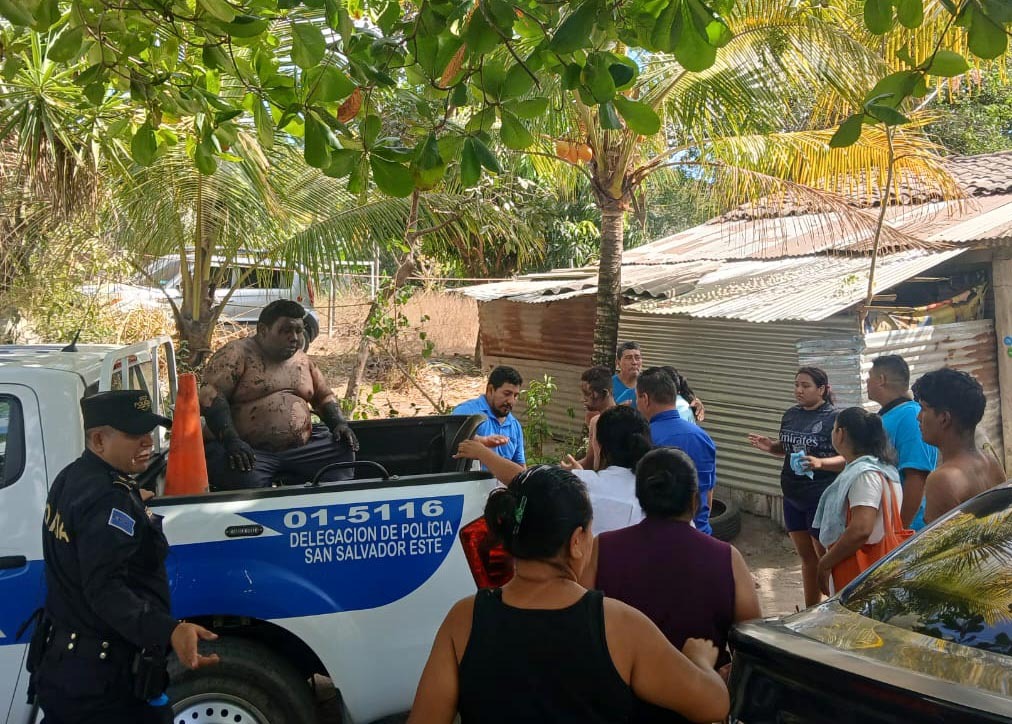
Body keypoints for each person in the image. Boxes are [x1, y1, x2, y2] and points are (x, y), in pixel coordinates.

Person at [407, 466, 731, 724]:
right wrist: (699, 659)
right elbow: (713, 706)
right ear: (577, 540)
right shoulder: (618, 625)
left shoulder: (464, 619)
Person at [32, 391, 219, 723]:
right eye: (134, 434)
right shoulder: (108, 500)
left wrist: (134, 498)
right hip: (102, 685)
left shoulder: (72, 478)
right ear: (99, 439)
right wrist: (169, 631)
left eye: (148, 431)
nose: (147, 441)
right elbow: (105, 589)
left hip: (70, 671)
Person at [581, 447, 761, 724]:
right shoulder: (726, 558)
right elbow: (751, 646)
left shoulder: (602, 549)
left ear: (641, 496)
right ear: (694, 499)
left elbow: (583, 627)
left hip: (622, 706)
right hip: (700, 704)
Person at [199, 299, 359, 490]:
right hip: (248, 451)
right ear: (263, 330)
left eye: (299, 331)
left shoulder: (302, 360)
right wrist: (232, 440)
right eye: (286, 330)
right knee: (239, 473)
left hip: (303, 449)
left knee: (342, 451)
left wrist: (338, 423)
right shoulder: (237, 353)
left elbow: (323, 397)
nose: (295, 338)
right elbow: (211, 397)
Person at [462, 406, 652, 536]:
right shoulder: (654, 486)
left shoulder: (584, 484)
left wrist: (482, 453)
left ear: (600, 446)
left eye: (593, 437)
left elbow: (525, 478)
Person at [747, 366, 844, 607]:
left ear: (821, 389)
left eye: (806, 386)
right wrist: (771, 446)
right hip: (792, 496)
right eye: (796, 385)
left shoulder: (834, 419)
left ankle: (835, 609)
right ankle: (810, 609)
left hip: (820, 498)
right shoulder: (791, 414)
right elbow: (788, 447)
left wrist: (820, 463)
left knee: (825, 560)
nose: (799, 390)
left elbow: (847, 458)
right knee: (807, 559)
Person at [813, 407, 906, 596]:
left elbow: (861, 530)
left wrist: (825, 563)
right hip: (876, 565)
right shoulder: (880, 468)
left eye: (834, 428)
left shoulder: (865, 475)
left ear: (841, 433)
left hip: (862, 568)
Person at [912, 368, 1006, 524]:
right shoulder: (990, 463)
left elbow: (940, 546)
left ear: (944, 418)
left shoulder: (942, 479)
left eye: (924, 409)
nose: (918, 417)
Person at [637, 367, 717, 535]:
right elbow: (708, 492)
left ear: (644, 398)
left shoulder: (644, 439)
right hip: (700, 533)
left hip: (659, 538)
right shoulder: (703, 437)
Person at [866, 355, 938, 529]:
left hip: (906, 529)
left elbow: (916, 477)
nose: (867, 382)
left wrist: (900, 530)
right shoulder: (887, 415)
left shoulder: (910, 417)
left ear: (881, 380)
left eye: (870, 376)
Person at [452, 365, 525, 465]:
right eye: (507, 394)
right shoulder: (466, 412)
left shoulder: (515, 426)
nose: (511, 401)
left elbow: (520, 466)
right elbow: (452, 438)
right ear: (490, 390)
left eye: (515, 396)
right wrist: (483, 441)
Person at [574, 365, 616, 469]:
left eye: (587, 394)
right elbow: (589, 462)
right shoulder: (594, 422)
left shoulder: (624, 422)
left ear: (605, 393)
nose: (582, 399)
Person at [613, 341, 643, 408]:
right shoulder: (609, 385)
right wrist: (616, 410)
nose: (634, 362)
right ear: (618, 362)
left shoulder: (648, 385)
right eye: (629, 358)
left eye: (637, 358)